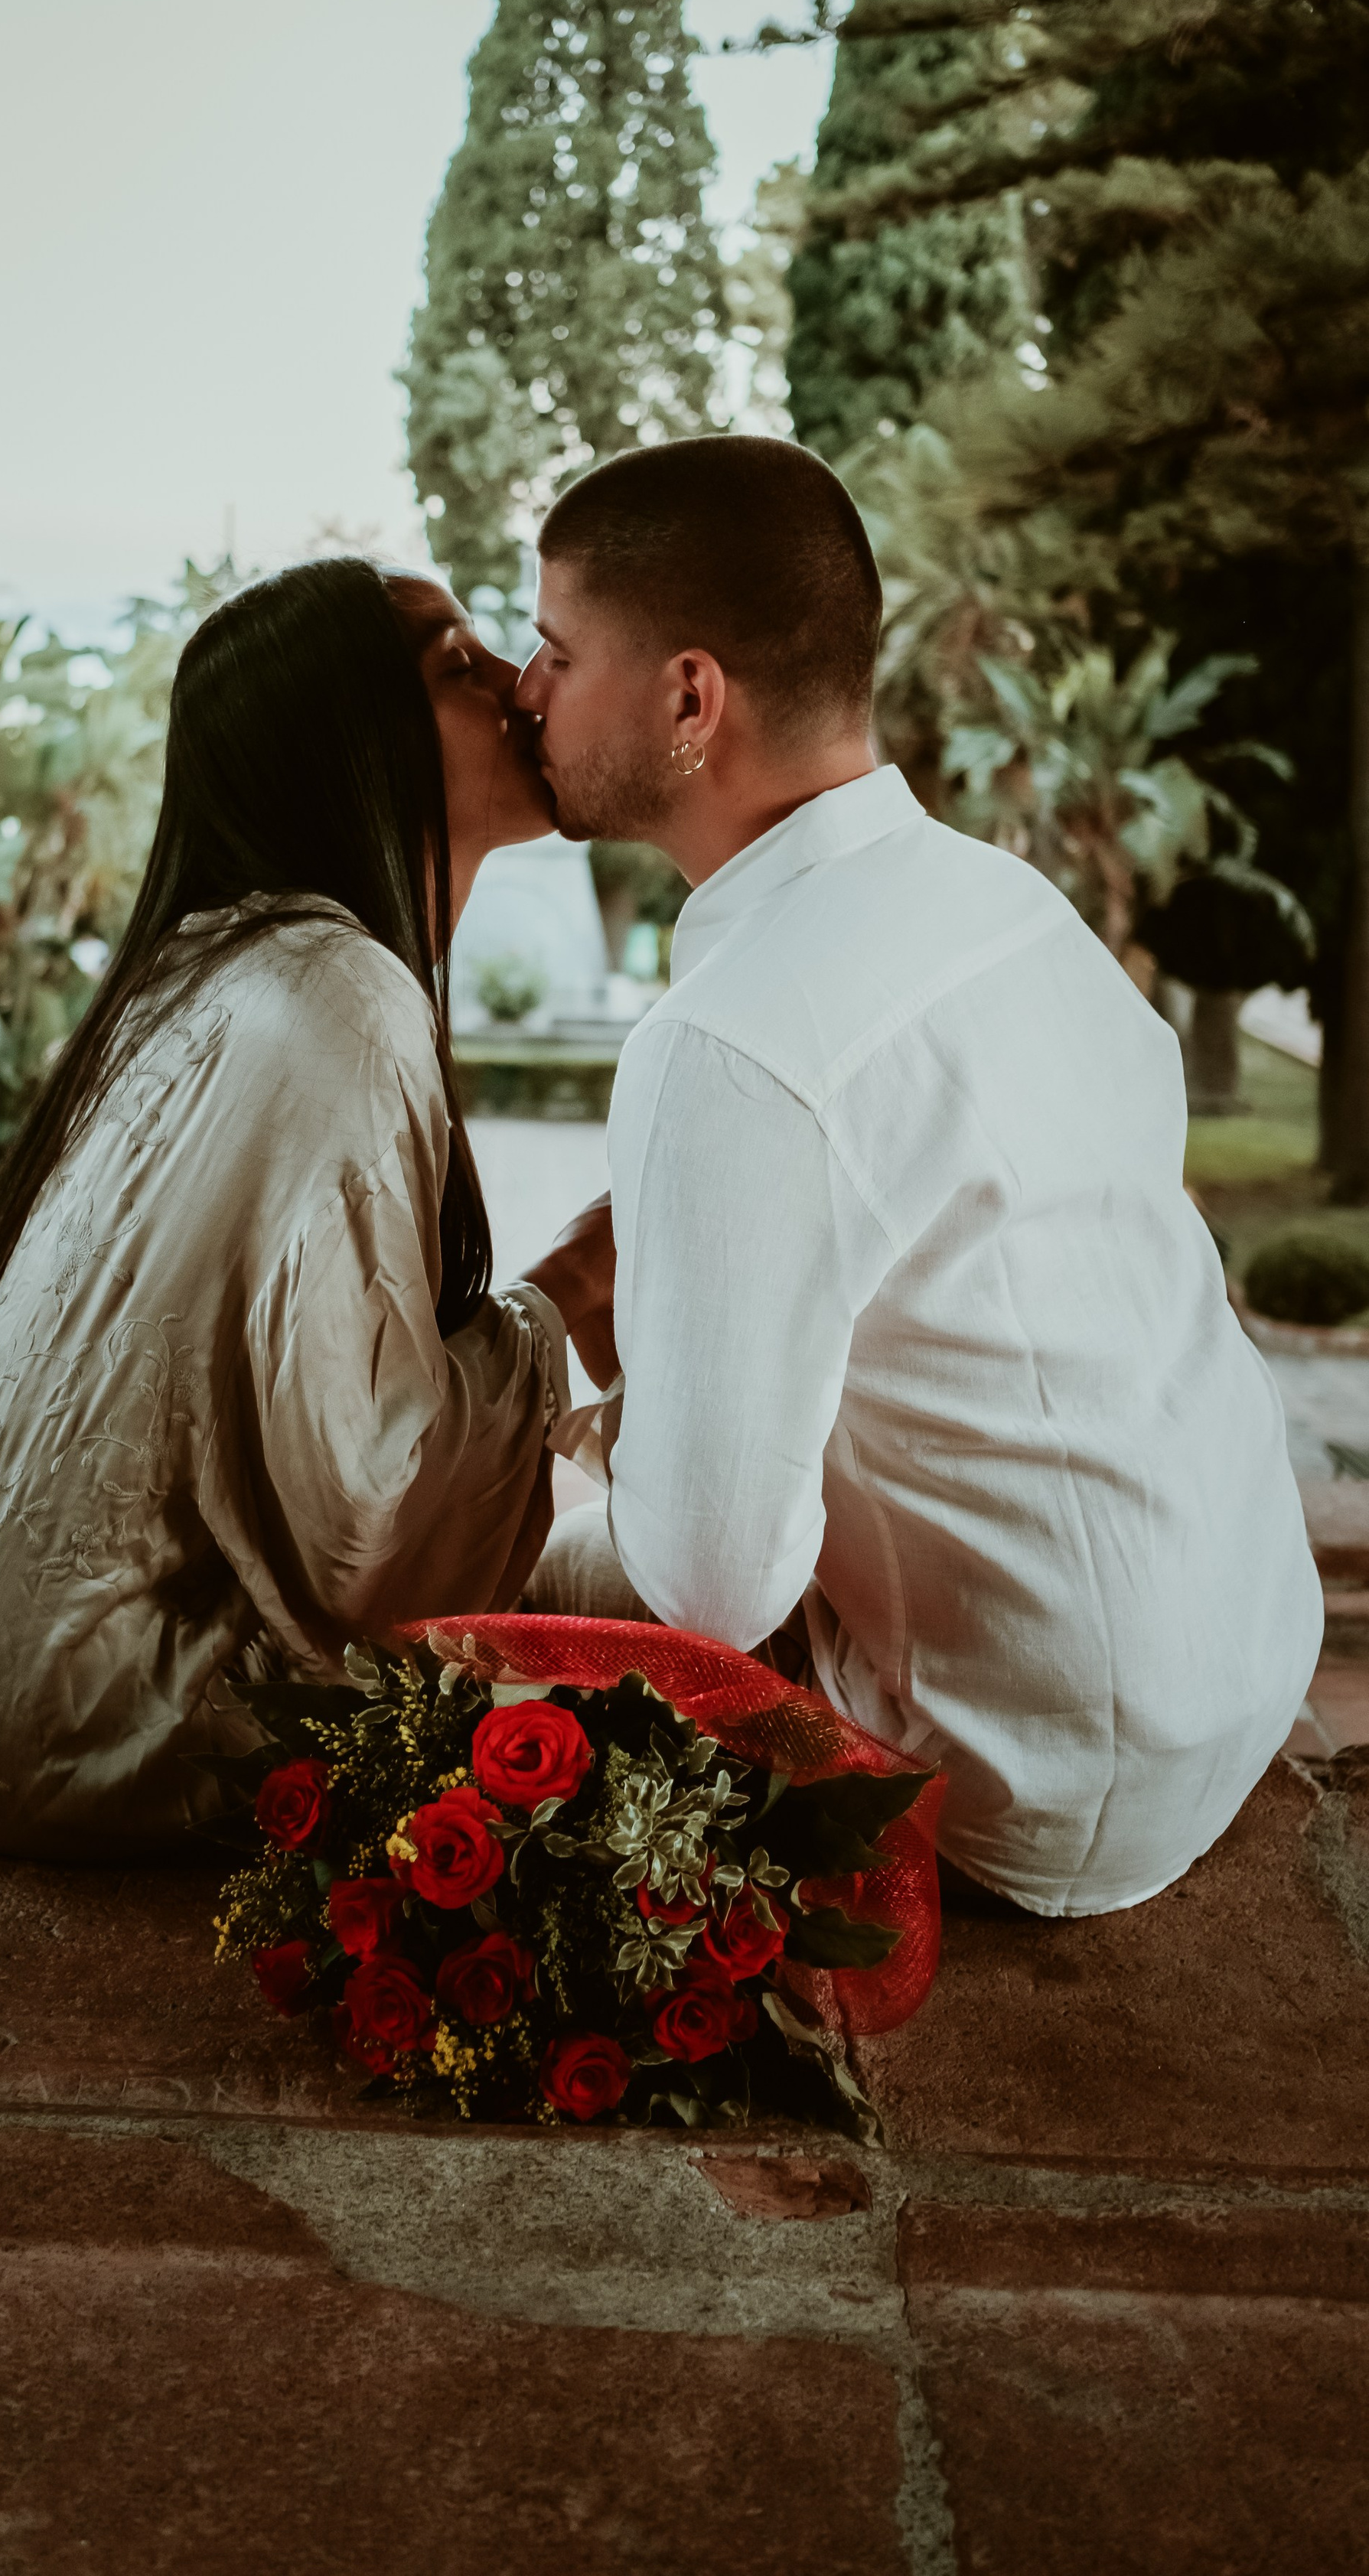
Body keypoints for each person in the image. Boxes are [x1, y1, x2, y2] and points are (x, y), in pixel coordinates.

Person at [513, 435, 1322, 1921]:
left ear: (690, 699)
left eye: (556, 651)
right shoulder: (1010, 906)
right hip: (1243, 1660)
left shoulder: (729, 1041)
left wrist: (551, 1456)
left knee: (491, 1577)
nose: (524, 690)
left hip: (1046, 1774)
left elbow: (710, 1593)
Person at [0, 557, 593, 1858]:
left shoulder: (209, 968)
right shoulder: (340, 992)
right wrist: (566, 1304)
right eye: (459, 665)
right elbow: (358, 1512)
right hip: (54, 1723)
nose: (520, 685)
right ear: (350, 741)